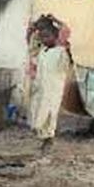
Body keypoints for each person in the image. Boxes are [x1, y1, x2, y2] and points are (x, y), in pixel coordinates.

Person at [28, 15, 73, 154]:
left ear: (56, 36)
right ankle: (43, 138)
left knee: (49, 114)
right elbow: (31, 39)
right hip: (40, 88)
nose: (44, 39)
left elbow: (65, 31)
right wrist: (35, 26)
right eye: (42, 37)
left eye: (47, 36)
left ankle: (48, 140)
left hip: (53, 90)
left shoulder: (61, 52)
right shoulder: (41, 51)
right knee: (37, 113)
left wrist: (56, 20)